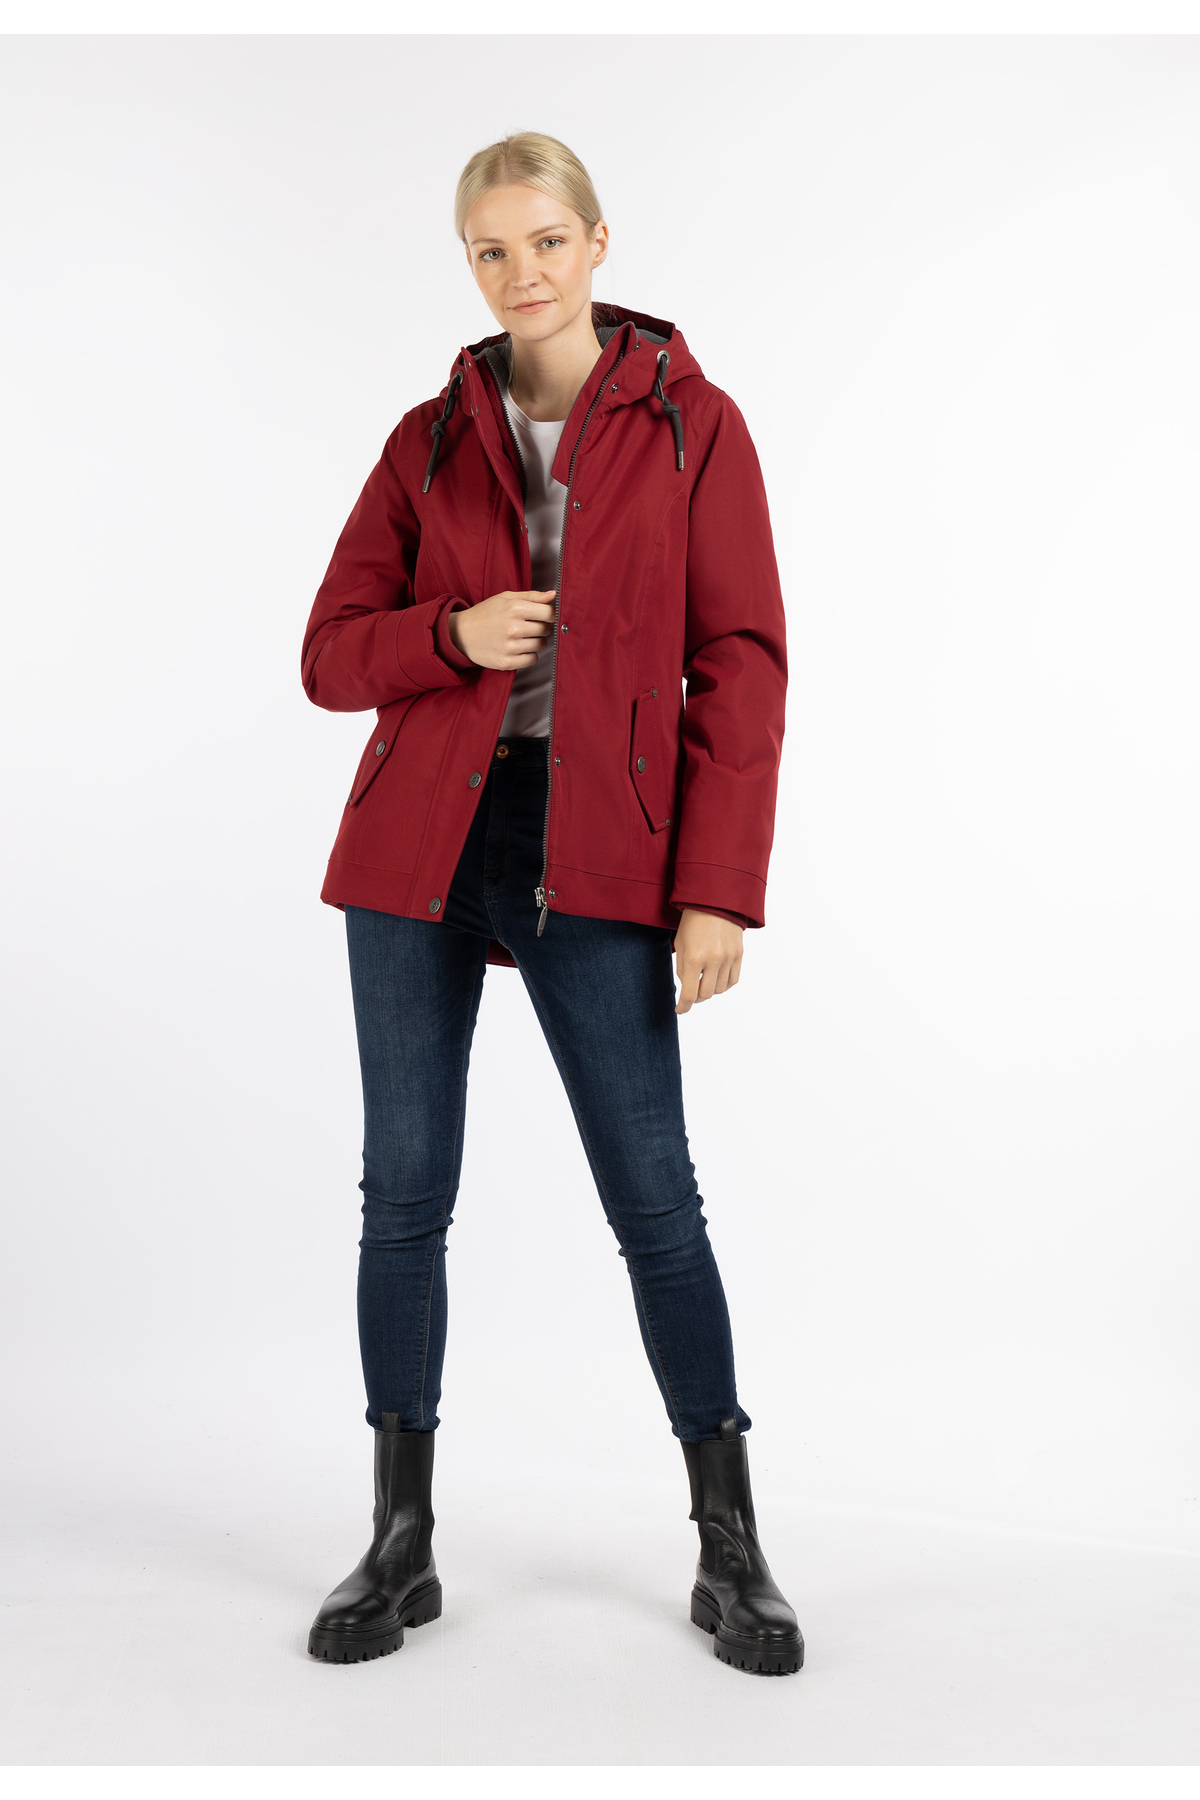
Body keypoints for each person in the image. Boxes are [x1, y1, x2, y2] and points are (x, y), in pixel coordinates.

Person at [299, 130, 800, 1676]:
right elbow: (330, 655)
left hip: (603, 846)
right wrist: (450, 634)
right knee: (403, 1198)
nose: (521, 274)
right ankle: (399, 1541)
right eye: (490, 251)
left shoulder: (696, 425)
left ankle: (730, 1547)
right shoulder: (426, 440)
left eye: (545, 242)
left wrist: (716, 891)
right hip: (420, 846)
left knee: (655, 1199)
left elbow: (742, 667)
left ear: (597, 243)